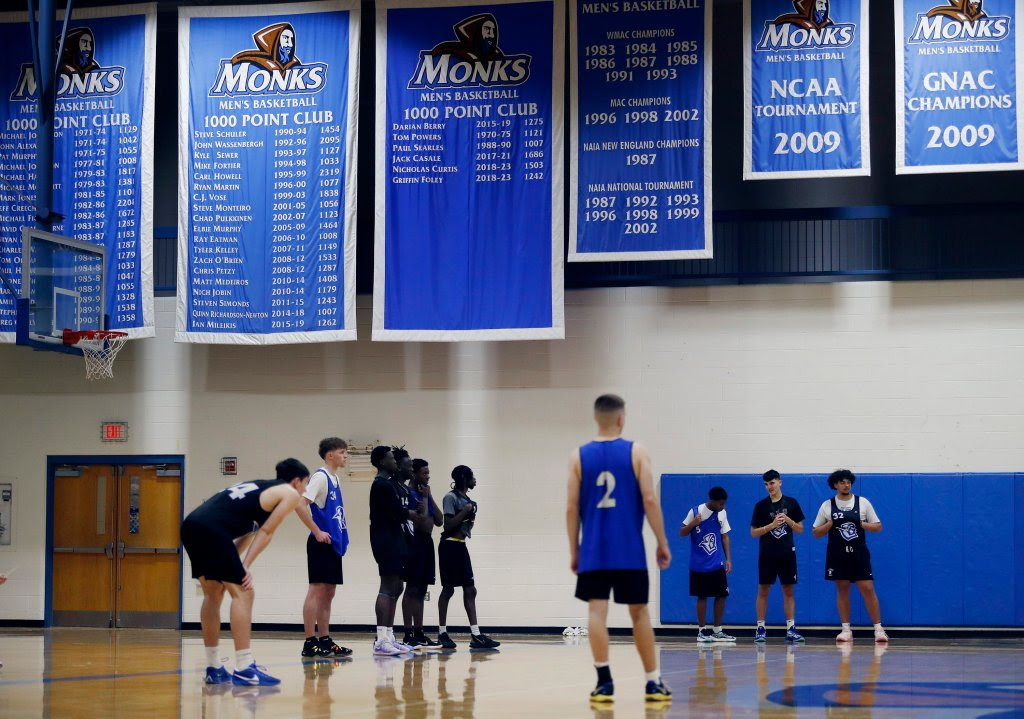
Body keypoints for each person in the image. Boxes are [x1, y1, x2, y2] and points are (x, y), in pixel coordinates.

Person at [567, 393, 673, 704]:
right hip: (629, 549)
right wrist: (662, 543)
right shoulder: (637, 452)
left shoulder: (578, 456)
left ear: (596, 418)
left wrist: (575, 550)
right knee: (639, 612)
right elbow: (650, 500)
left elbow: (571, 509)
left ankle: (603, 683)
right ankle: (653, 683)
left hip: (594, 551)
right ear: (621, 419)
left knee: (596, 612)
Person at [181, 458, 310, 686]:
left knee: (214, 593)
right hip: (212, 530)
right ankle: (245, 667)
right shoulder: (289, 493)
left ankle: (214, 668)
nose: (305, 491)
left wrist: (239, 565)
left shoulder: (260, 492)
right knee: (244, 592)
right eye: (305, 484)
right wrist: (245, 568)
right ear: (296, 481)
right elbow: (267, 532)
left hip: (192, 525)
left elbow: (245, 536)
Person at [812, 469, 888, 643]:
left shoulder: (863, 503)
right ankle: (846, 629)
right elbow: (816, 532)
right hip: (837, 553)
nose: (846, 485)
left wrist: (861, 524)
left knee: (867, 588)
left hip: (859, 552)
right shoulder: (827, 505)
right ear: (835, 485)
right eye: (842, 482)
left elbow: (878, 526)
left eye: (848, 482)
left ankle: (878, 629)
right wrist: (829, 525)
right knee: (842, 589)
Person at [297, 437, 352, 659]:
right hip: (320, 542)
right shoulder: (320, 477)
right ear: (330, 455)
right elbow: (300, 505)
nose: (346, 456)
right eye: (342, 452)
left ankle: (325, 639)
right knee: (316, 590)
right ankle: (310, 641)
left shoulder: (335, 478)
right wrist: (316, 531)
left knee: (329, 592)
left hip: (332, 542)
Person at [437, 465, 500, 650]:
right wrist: (465, 512)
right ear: (464, 478)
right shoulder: (451, 497)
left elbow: (465, 526)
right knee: (448, 589)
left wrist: (469, 518)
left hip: (460, 545)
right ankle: (442, 632)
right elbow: (447, 524)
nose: (475, 480)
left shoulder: (468, 500)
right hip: (449, 545)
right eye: (472, 477)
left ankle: (476, 635)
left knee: (470, 589)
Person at [369, 446, 415, 655]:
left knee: (397, 587)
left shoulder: (390, 485)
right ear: (381, 462)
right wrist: (411, 513)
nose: (394, 461)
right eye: (390, 459)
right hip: (385, 539)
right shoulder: (381, 485)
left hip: (394, 538)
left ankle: (389, 636)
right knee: (387, 586)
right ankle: (380, 640)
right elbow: (396, 513)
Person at [749, 469, 805, 643]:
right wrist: (771, 526)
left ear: (780, 482)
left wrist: (788, 521)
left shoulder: (792, 503)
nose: (769, 487)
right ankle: (760, 628)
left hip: (787, 553)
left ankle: (791, 629)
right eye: (766, 484)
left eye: (771, 483)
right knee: (763, 589)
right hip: (767, 554)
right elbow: (753, 533)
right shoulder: (761, 506)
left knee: (788, 590)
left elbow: (801, 529)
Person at [680, 486, 735, 643]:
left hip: (716, 563)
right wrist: (692, 524)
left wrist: (728, 559)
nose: (722, 506)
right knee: (702, 596)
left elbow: (725, 537)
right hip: (698, 564)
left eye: (724, 504)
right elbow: (682, 532)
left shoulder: (722, 514)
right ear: (712, 501)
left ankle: (717, 631)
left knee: (722, 595)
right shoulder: (695, 511)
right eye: (720, 504)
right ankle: (702, 632)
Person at [402, 458, 443, 648]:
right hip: (414, 541)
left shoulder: (425, 492)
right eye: (424, 473)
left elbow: (439, 521)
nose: (428, 476)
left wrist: (429, 496)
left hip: (427, 542)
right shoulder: (409, 493)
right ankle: (408, 633)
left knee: (422, 590)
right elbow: (420, 520)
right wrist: (425, 498)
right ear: (415, 474)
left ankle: (419, 632)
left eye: (428, 472)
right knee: (411, 588)